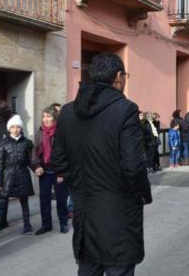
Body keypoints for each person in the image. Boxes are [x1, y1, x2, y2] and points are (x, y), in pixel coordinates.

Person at [51, 53, 152, 275]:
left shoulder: (67, 112)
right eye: (125, 76)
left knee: (88, 268)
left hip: (85, 215)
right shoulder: (126, 109)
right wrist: (143, 193)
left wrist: (78, 184)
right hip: (119, 216)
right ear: (118, 77)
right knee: (119, 267)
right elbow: (134, 166)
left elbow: (57, 161)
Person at [0, 115, 43, 239]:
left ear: (21, 128)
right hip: (7, 177)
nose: (15, 129)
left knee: (24, 202)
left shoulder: (27, 143)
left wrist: (36, 168)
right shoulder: (3, 144)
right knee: (1, 204)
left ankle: (27, 225)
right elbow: (0, 165)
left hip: (22, 175)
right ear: (9, 129)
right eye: (13, 127)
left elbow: (31, 159)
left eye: (18, 127)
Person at [32, 106, 70, 235]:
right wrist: (37, 166)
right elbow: (34, 151)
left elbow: (67, 154)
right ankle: (46, 225)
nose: (46, 119)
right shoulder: (39, 132)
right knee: (44, 199)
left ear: (54, 118)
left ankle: (63, 223)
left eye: (48, 116)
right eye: (44, 116)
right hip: (45, 171)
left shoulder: (61, 132)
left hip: (58, 171)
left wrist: (62, 173)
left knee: (61, 199)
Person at [0, 99, 12, 230]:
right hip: (2, 162)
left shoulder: (8, 125)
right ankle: (0, 221)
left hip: (0, 161)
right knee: (0, 192)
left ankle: (0, 220)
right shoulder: (9, 125)